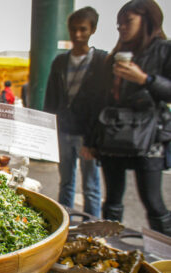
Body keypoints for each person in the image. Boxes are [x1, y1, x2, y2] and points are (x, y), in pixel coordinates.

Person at [86, 0, 171, 235]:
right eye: (119, 24)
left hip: (148, 136)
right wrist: (90, 140)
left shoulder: (164, 49)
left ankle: (166, 255)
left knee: (153, 201)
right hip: (113, 134)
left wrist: (145, 79)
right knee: (112, 199)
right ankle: (110, 246)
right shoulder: (115, 56)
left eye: (128, 22)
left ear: (148, 20)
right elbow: (99, 100)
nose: (122, 28)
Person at [44, 7, 107, 217]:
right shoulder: (60, 62)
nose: (77, 35)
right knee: (66, 183)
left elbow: (103, 103)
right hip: (63, 131)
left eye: (83, 29)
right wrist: (48, 129)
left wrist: (94, 140)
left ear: (93, 30)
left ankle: (92, 230)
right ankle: (66, 224)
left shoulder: (101, 61)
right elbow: (51, 99)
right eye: (73, 30)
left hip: (87, 134)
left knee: (91, 186)